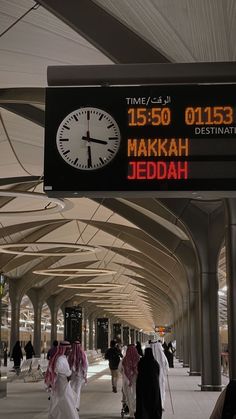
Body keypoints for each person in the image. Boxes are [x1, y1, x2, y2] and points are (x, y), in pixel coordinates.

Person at [45, 341, 78, 419]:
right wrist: (69, 373)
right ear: (64, 349)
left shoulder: (62, 358)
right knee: (66, 401)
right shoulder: (60, 359)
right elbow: (60, 370)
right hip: (62, 385)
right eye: (68, 349)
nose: (70, 351)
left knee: (62, 401)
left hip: (64, 384)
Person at [136, 347, 162, 419]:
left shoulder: (141, 362)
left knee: (143, 400)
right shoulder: (155, 363)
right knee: (154, 400)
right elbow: (158, 373)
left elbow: (139, 371)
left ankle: (143, 415)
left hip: (142, 385)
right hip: (153, 385)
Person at [119, 344, 140, 419]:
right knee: (135, 396)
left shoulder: (124, 360)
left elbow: (120, 369)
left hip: (126, 381)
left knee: (128, 397)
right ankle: (135, 411)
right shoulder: (139, 359)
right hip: (136, 382)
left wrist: (126, 374)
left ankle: (131, 413)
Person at [68, 341, 88, 411]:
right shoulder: (83, 354)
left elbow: (69, 365)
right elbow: (86, 366)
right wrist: (85, 375)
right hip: (80, 376)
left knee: (71, 389)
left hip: (73, 375)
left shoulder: (71, 354)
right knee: (77, 390)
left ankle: (72, 404)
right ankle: (76, 406)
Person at [149, 340, 169, 410]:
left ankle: (153, 405)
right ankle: (161, 405)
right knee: (161, 390)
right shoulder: (163, 356)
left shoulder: (148, 357)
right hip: (161, 377)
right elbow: (167, 367)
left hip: (151, 378)